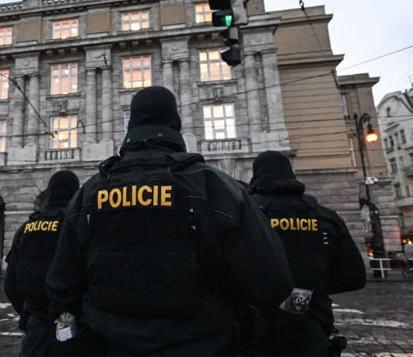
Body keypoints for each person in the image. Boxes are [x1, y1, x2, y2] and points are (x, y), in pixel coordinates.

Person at [45, 86, 294, 355]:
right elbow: (272, 283)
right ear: (176, 124)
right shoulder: (215, 186)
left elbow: (61, 284)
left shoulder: (89, 193)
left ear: (130, 126)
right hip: (205, 344)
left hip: (108, 344)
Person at [248, 150, 366, 356]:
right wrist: (308, 290)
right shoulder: (325, 216)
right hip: (312, 323)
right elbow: (354, 276)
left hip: (258, 324)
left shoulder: (247, 213)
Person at [5, 170, 80, 356]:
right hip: (71, 321)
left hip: (35, 321)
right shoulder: (76, 225)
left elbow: (10, 284)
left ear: (50, 192)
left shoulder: (26, 228)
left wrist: (28, 313)